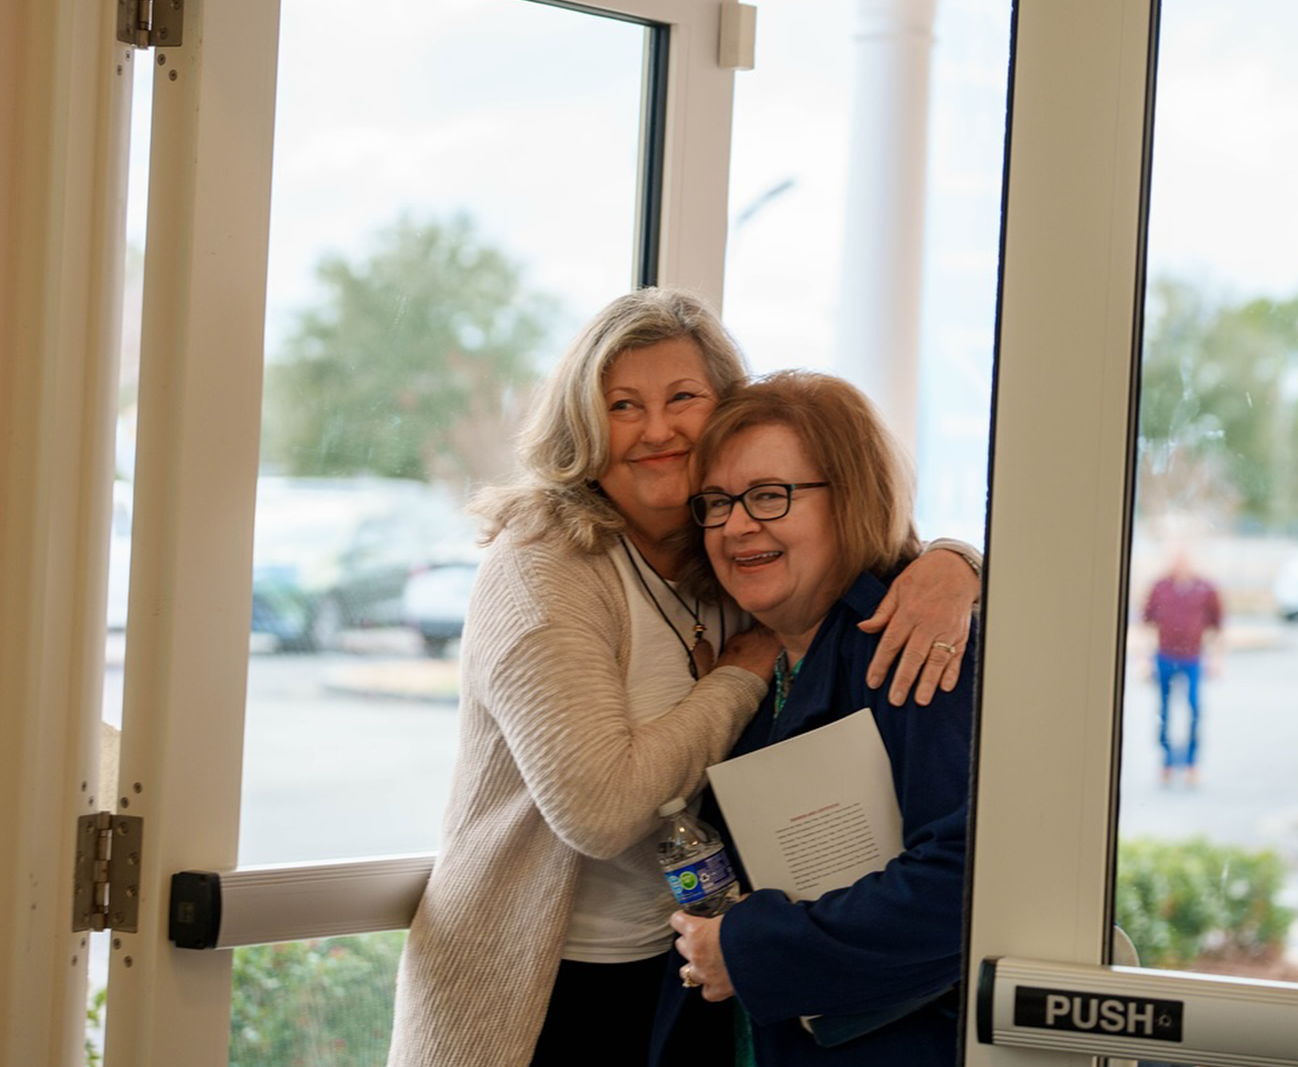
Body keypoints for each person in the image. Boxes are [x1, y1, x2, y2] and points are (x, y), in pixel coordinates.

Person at [387, 290, 984, 1067]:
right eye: (622, 405)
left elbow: (867, 530)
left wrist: (960, 564)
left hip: (692, 979)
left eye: (683, 398)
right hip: (542, 987)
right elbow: (599, 809)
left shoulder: (740, 576)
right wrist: (733, 681)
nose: (656, 428)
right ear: (585, 427)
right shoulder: (546, 567)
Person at [656, 370, 977, 1067]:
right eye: (718, 502)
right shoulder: (755, 654)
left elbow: (963, 885)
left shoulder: (919, 642)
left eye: (771, 496)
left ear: (852, 498)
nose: (738, 525)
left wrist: (745, 950)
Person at [1141, 545, 1223, 787]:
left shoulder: (1205, 588)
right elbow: (1147, 624)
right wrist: (1143, 659)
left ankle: (1190, 763)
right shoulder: (1160, 587)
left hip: (1193, 658)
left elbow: (1217, 626)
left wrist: (1217, 658)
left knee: (1195, 708)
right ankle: (1167, 761)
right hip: (1164, 656)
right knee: (1164, 710)